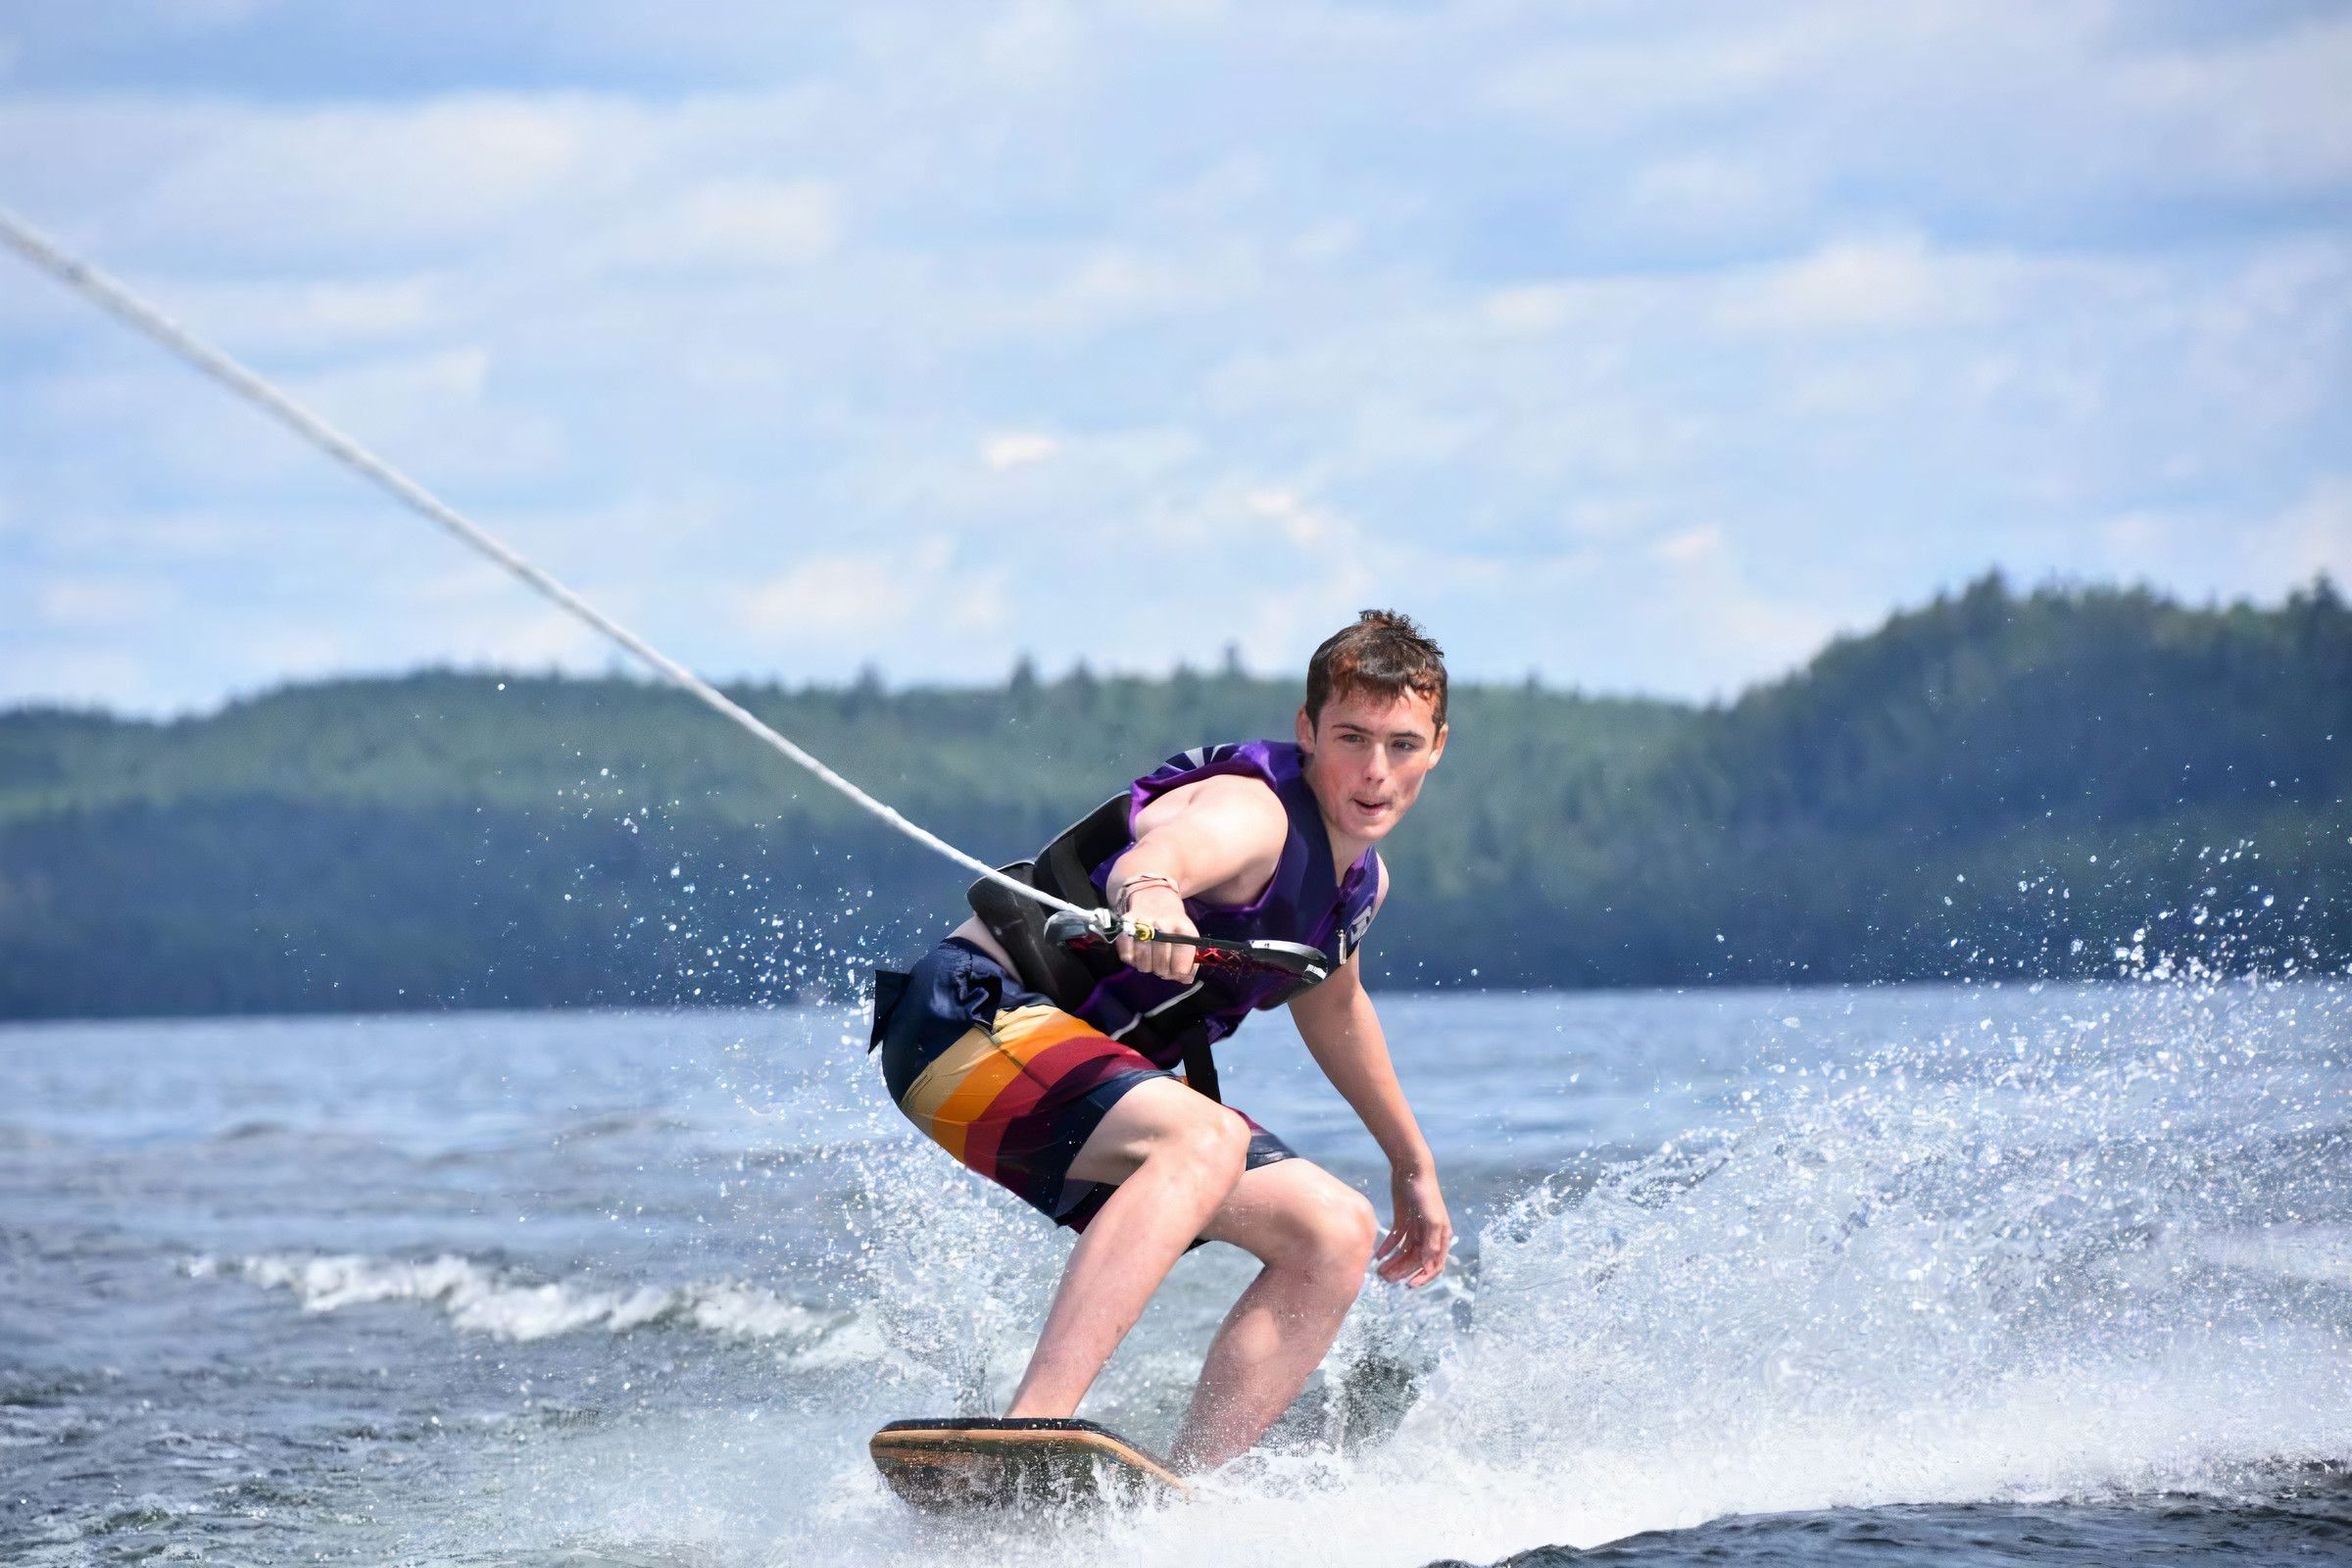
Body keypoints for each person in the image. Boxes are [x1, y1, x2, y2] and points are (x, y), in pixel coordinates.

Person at [867, 609, 1452, 1472]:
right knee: (1205, 1137)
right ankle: (1030, 1430)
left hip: (1059, 1080)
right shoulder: (1256, 812)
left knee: (1333, 1232)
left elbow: (1334, 1003)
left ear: (1436, 747)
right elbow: (1163, 851)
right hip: (965, 1027)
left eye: (1402, 745)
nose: (1374, 772)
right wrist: (1154, 897)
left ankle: (1186, 1495)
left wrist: (1411, 1161)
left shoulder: (1360, 881)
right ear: (1307, 731)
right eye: (1351, 737)